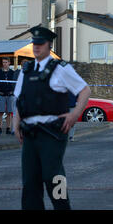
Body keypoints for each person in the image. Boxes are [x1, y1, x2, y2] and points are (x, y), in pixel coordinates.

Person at [13, 26, 91, 210]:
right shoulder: (26, 70)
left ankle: (63, 207)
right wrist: (16, 124)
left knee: (53, 177)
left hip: (52, 133)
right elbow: (20, 99)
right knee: (30, 182)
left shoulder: (61, 68)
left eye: (40, 44)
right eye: (34, 43)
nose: (36, 47)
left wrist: (74, 115)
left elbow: (84, 90)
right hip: (30, 133)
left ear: (49, 45)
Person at [0, 57, 15, 136]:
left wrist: (12, 89)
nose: (4, 64)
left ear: (9, 63)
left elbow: (15, 82)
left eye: (5, 62)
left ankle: (8, 128)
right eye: (3, 62)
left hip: (10, 94)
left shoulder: (12, 72)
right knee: (0, 112)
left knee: (9, 112)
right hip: (1, 94)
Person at [11, 59, 29, 136]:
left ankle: (23, 129)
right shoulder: (17, 72)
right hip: (17, 96)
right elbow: (14, 83)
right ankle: (14, 129)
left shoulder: (30, 73)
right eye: (23, 64)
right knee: (15, 112)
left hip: (26, 97)